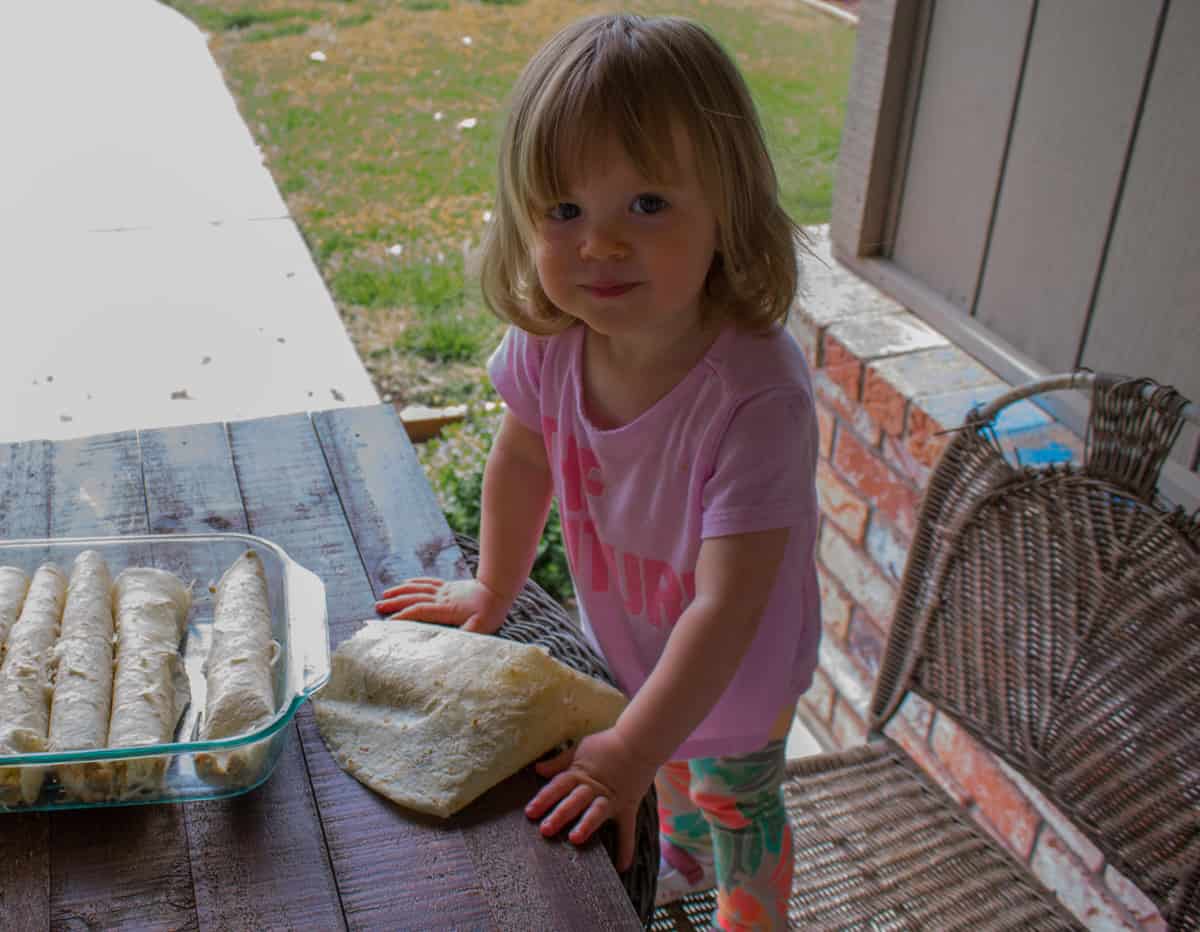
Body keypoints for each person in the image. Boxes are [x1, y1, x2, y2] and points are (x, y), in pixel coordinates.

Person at [375, 13, 821, 930]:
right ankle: (681, 850)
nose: (601, 245)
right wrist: (492, 588)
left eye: (647, 205)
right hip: (628, 641)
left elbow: (727, 608)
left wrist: (622, 753)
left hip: (736, 675)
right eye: (566, 211)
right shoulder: (553, 344)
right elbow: (526, 452)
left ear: (727, 210)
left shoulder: (755, 395)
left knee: (735, 803)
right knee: (664, 777)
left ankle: (748, 912)